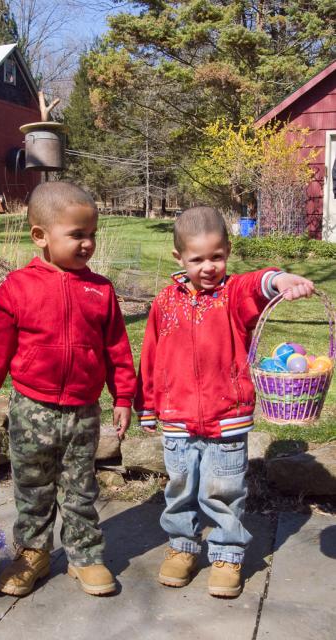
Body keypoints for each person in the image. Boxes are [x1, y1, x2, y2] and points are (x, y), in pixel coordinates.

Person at [0, 182, 136, 597]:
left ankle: (85, 556)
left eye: (92, 233)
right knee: (32, 487)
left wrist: (123, 396)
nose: (88, 243)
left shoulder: (101, 291)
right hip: (31, 409)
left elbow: (117, 350)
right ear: (41, 236)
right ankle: (32, 554)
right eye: (77, 234)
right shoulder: (17, 288)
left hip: (83, 410)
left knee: (80, 487)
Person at [134, 206, 314, 598]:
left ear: (228, 251)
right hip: (177, 417)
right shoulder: (165, 302)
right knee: (180, 488)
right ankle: (182, 547)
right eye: (197, 259)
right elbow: (151, 354)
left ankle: (228, 552)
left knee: (224, 489)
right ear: (178, 258)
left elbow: (256, 284)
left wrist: (280, 279)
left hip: (227, 417)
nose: (208, 267)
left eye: (216, 256)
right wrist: (147, 405)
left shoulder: (232, 297)